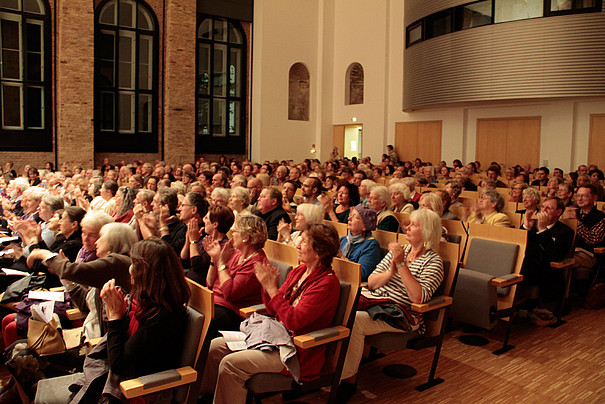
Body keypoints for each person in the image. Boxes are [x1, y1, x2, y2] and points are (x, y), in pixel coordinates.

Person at [34, 238, 190, 402]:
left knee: (40, 392)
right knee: (37, 386)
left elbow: (118, 364)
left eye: (134, 264)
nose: (129, 270)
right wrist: (119, 314)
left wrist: (115, 318)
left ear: (147, 273)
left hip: (136, 389)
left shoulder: (164, 316)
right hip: (117, 377)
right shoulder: (146, 302)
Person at [201, 223, 341, 403]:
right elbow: (272, 308)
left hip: (296, 351)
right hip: (276, 336)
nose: (297, 245)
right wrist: (268, 289)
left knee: (230, 364)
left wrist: (271, 289)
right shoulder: (299, 271)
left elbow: (294, 321)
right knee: (215, 347)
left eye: (304, 242)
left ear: (319, 251)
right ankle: (208, 397)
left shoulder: (327, 284)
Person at [337, 209, 444, 402]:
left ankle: (347, 381)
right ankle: (325, 368)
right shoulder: (400, 250)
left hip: (400, 314)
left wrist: (401, 265)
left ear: (427, 231)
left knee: (354, 320)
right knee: (336, 305)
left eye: (414, 225)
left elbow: (417, 298)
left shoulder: (434, 262)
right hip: (374, 301)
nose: (407, 227)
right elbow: (371, 281)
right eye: (408, 223)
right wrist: (391, 271)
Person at [202, 214, 269, 337]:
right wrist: (214, 258)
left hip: (236, 313)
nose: (231, 234)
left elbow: (229, 293)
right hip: (216, 302)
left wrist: (221, 263)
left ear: (246, 237)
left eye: (235, 231)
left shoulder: (256, 263)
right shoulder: (236, 254)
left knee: (201, 320)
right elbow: (210, 283)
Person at [520, 197, 574, 325]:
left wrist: (543, 230)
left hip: (548, 271)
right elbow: (520, 244)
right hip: (528, 266)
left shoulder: (565, 231)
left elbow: (555, 254)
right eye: (542, 207)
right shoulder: (533, 226)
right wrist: (526, 226)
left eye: (548, 208)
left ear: (558, 212)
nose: (543, 210)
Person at [186, 205, 234, 286]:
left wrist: (193, 241)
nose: (204, 221)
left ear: (215, 224)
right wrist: (189, 239)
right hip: (191, 284)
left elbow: (196, 265)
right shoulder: (207, 238)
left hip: (203, 290)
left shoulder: (223, 246)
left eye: (206, 218)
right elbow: (184, 258)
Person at [340, 204, 381, 281]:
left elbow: (362, 274)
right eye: (351, 215)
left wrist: (341, 258)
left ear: (364, 226)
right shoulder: (343, 240)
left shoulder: (371, 246)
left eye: (355, 217)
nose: (349, 218)